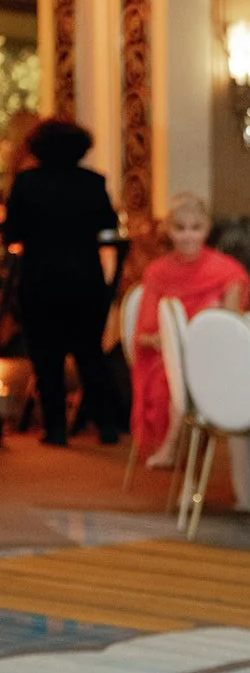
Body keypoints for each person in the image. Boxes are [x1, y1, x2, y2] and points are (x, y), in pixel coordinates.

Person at [1, 118, 122, 446]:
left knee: (46, 355)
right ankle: (107, 424)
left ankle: (55, 429)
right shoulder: (93, 182)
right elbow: (108, 227)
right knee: (89, 353)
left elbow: (12, 234)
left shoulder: (27, 184)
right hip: (85, 279)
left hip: (40, 279)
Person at [131, 193, 250, 467]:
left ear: (207, 229)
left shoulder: (228, 272)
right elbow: (144, 336)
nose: (188, 236)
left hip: (216, 354)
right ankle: (175, 447)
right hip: (166, 356)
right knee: (176, 375)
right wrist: (173, 342)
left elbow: (232, 327)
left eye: (195, 228)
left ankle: (178, 449)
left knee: (194, 372)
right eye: (180, 228)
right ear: (168, 230)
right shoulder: (157, 273)